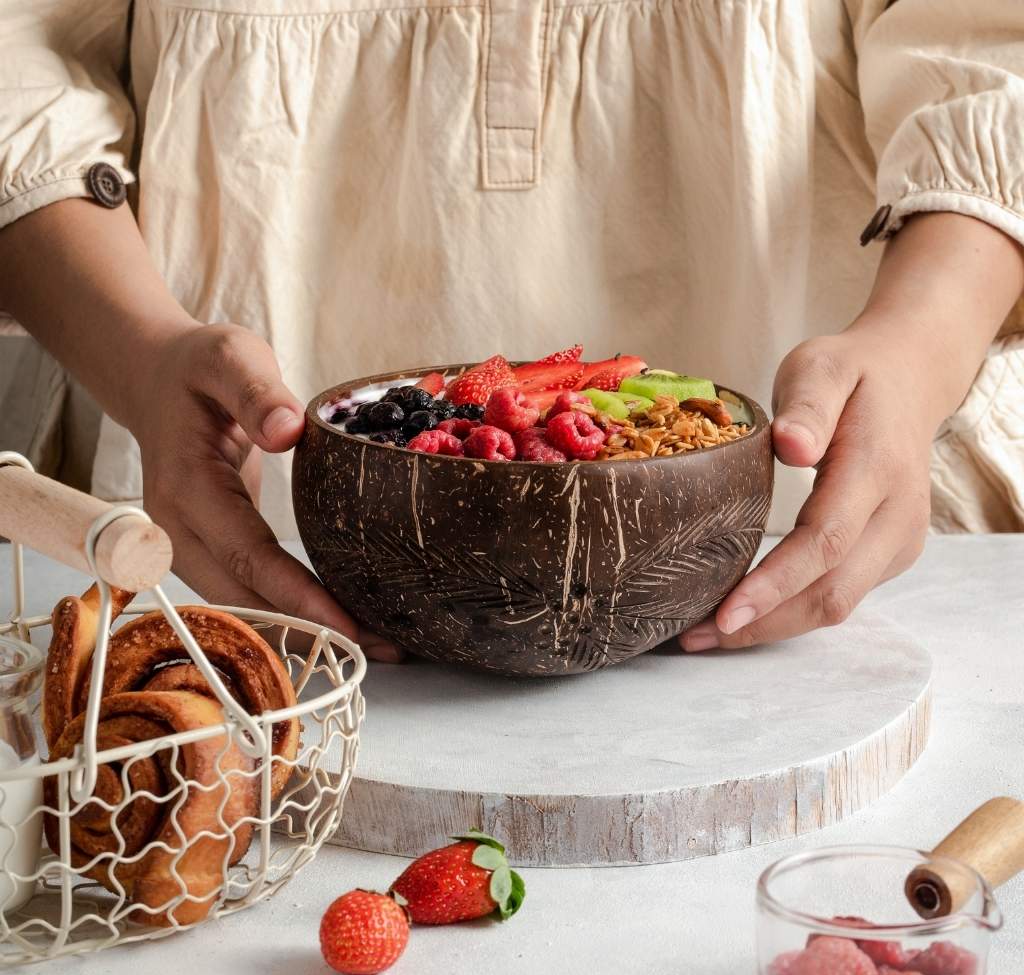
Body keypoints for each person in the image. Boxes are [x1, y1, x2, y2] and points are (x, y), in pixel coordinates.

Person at [1, 0, 1022, 660]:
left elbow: (988, 53)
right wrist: (138, 352)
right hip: (218, 573)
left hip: (811, 579)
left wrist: (918, 344)